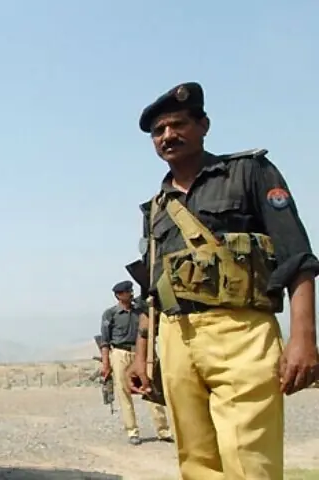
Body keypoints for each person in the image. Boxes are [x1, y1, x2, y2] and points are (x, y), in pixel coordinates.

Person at [125, 81, 319, 480]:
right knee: (196, 464)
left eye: (177, 125)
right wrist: (142, 354)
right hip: (178, 340)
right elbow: (153, 291)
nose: (167, 136)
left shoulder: (249, 172)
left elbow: (297, 256)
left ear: (204, 125)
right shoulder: (156, 209)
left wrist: (303, 338)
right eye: (158, 132)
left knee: (249, 461)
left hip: (241, 332)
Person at [99, 280, 172, 446]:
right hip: (120, 352)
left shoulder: (142, 311)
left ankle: (163, 430)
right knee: (124, 392)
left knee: (152, 389)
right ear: (119, 295)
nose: (131, 294)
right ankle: (132, 431)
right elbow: (105, 340)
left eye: (132, 291)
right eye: (127, 292)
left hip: (143, 351)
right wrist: (105, 364)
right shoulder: (110, 314)